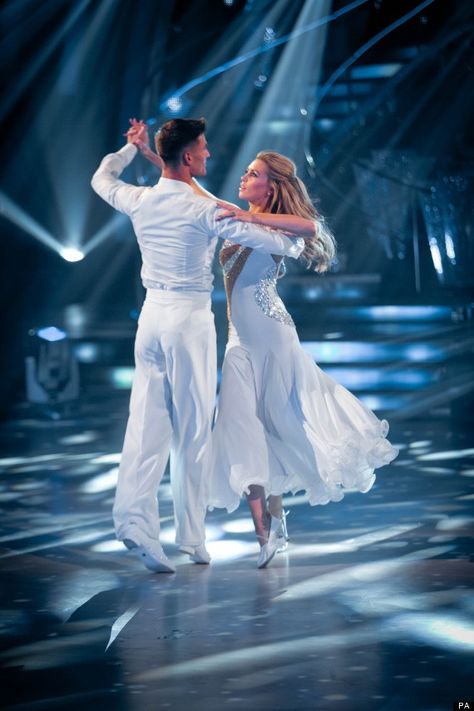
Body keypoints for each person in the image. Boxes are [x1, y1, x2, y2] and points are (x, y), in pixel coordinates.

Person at [91, 118, 305, 573]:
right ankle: (191, 537)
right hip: (188, 321)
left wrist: (132, 150)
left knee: (145, 422)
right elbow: (281, 245)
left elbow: (101, 178)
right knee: (191, 429)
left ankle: (134, 521)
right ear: (188, 157)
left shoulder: (141, 199)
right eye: (204, 149)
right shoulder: (206, 211)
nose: (209, 155)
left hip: (150, 319)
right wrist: (258, 218)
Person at [204, 151, 399, 568]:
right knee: (240, 427)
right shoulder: (239, 219)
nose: (243, 177)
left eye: (253, 174)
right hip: (238, 340)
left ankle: (273, 524)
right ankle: (265, 531)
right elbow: (198, 197)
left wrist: (250, 217)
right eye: (246, 171)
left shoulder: (279, 233)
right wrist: (154, 156)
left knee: (278, 426)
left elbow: (310, 226)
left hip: (274, 339)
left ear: (271, 187)